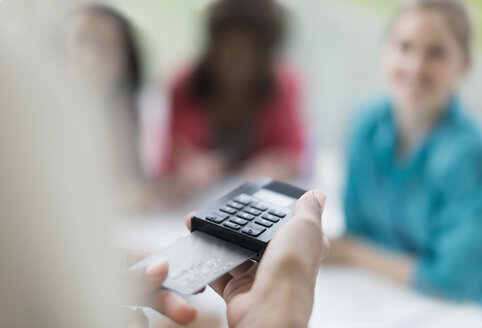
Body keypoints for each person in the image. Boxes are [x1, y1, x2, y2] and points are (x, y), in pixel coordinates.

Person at [328, 0, 482, 303]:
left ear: (463, 64)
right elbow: (356, 227)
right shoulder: (365, 122)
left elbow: (454, 280)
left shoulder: (470, 153)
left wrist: (352, 253)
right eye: (404, 47)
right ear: (386, 50)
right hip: (372, 293)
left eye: (435, 53)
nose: (415, 66)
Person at [160, 0, 306, 196]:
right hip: (199, 203)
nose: (236, 62)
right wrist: (189, 169)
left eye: (248, 52)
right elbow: (171, 161)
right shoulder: (185, 85)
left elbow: (295, 153)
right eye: (228, 47)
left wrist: (275, 165)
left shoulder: (282, 85)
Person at [64, 4, 157, 211]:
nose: (90, 58)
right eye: (80, 41)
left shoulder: (122, 111)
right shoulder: (43, 116)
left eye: (105, 47)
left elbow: (133, 185)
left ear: (125, 59)